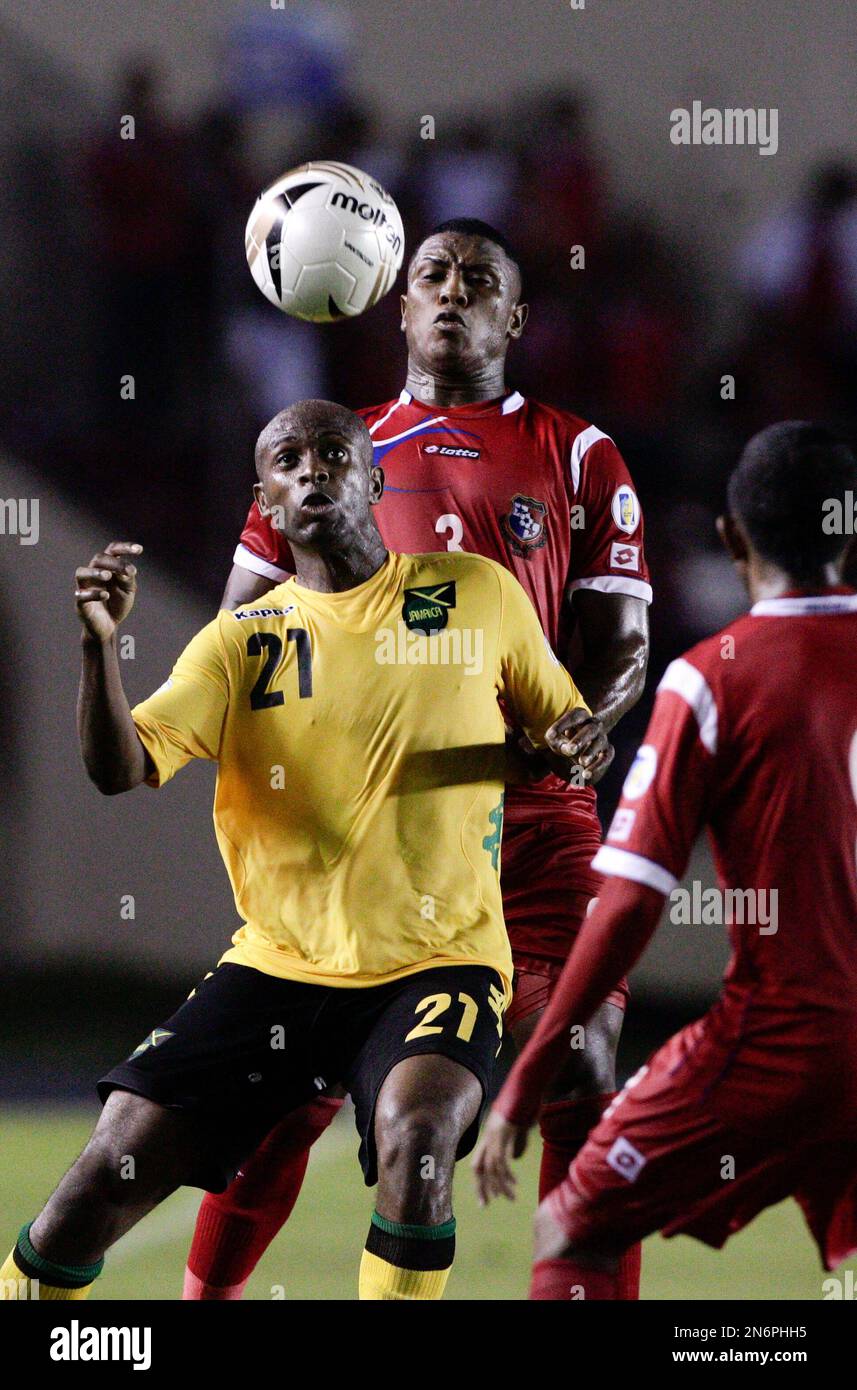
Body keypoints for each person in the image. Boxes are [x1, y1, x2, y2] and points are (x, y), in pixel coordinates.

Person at [0, 400, 612, 1303]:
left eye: (334, 454)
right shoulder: (239, 644)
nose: (311, 470)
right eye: (287, 460)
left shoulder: (477, 591)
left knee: (419, 1133)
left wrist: (577, 741)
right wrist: (100, 652)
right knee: (104, 1175)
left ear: (373, 480)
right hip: (281, 965)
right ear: (267, 501)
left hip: (441, 961)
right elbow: (118, 767)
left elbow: (564, 722)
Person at [185, 217, 651, 1301]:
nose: (450, 293)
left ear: (514, 316)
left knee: (583, 1065)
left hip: (535, 827)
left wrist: (586, 717)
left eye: (477, 280)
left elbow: (619, 642)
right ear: (395, 306)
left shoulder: (576, 452)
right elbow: (238, 633)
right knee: (283, 1098)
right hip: (376, 842)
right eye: (430, 275)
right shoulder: (327, 452)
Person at [473, 421, 857, 1299]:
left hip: (781, 1040)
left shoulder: (713, 679)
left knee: (571, 1223)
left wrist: (526, 1077)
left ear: (729, 539)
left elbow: (628, 902)